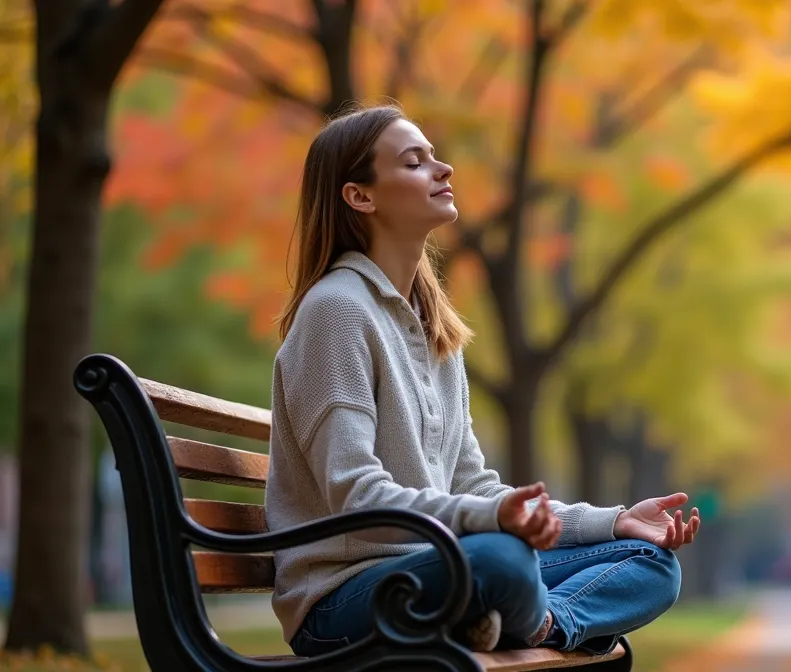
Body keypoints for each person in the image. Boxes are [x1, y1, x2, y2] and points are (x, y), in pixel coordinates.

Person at [264, 103, 701, 658]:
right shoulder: (335, 312)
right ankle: (531, 616)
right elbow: (354, 496)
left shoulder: (433, 328)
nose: (442, 169)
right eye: (415, 162)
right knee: (503, 558)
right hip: (343, 597)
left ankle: (539, 622)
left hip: (440, 569)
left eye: (435, 157)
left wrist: (613, 522)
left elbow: (475, 487)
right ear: (361, 196)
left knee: (651, 562)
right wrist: (492, 524)